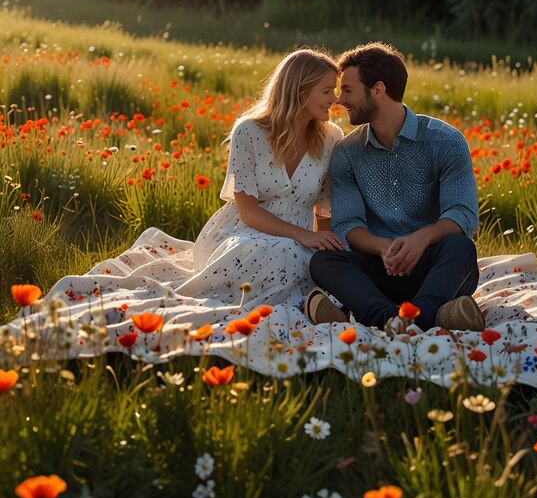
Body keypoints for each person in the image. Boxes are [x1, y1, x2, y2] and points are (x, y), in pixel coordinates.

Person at [40, 48, 345, 317]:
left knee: (311, 262)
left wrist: (324, 245)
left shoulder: (331, 136)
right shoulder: (249, 132)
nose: (335, 99)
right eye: (327, 91)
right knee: (286, 254)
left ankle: (310, 305)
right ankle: (296, 305)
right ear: (300, 91)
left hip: (299, 236)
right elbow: (248, 211)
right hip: (243, 232)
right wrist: (301, 236)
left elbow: (325, 207)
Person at [306, 42, 484, 332]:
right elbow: (347, 225)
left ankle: (387, 318)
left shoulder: (446, 141)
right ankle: (420, 318)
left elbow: (463, 214)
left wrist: (420, 239)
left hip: (433, 269)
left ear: (377, 89)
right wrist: (385, 248)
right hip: (378, 267)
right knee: (324, 261)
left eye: (348, 90)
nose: (340, 100)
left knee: (460, 247)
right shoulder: (347, 152)